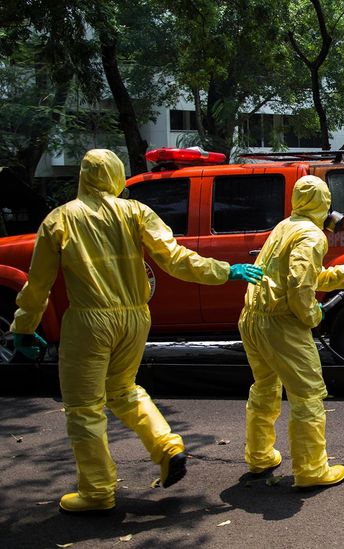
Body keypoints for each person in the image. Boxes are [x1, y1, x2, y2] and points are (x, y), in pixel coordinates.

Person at [11, 149, 263, 514]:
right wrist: (226, 271)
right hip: (135, 318)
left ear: (82, 177)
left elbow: (39, 285)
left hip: (89, 320)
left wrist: (24, 326)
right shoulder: (136, 212)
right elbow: (176, 259)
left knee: (84, 407)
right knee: (124, 390)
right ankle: (166, 446)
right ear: (116, 175)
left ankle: (97, 492)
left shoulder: (60, 219)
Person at [239, 175, 344, 488]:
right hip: (281, 325)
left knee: (265, 387)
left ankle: (259, 456)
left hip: (253, 317)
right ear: (324, 203)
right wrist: (312, 314)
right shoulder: (313, 236)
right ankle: (312, 470)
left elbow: (304, 275)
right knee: (308, 395)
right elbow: (300, 284)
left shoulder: (285, 225)